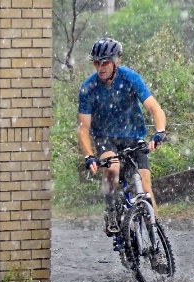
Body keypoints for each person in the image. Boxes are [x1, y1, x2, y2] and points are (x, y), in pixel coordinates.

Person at [77, 37, 167, 255]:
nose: (100, 67)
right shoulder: (88, 87)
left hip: (133, 136)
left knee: (145, 188)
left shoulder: (130, 78)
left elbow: (155, 108)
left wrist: (160, 132)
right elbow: (83, 128)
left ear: (116, 61)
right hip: (105, 138)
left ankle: (154, 234)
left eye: (105, 62)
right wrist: (90, 156)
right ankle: (111, 209)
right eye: (96, 63)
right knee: (113, 168)